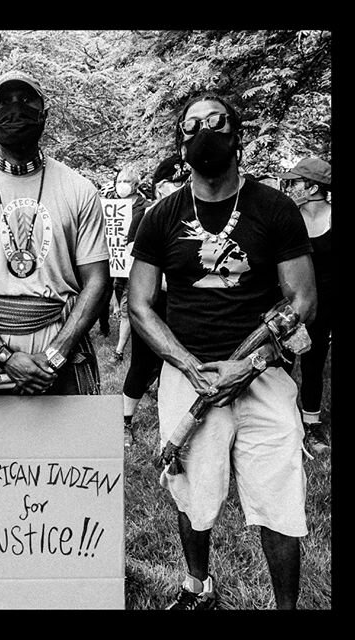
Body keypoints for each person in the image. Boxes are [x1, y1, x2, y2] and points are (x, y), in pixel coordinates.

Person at [128, 93, 316, 610]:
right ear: (181, 142)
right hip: (187, 376)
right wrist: (187, 365)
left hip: (263, 375)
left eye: (215, 122)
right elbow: (140, 305)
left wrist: (249, 363)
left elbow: (301, 299)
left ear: (238, 134)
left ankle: (286, 607)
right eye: (191, 125)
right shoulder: (162, 215)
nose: (203, 131)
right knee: (193, 491)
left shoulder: (273, 208)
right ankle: (197, 587)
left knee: (279, 494)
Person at [0, 70, 110, 396]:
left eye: (26, 100)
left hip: (65, 349)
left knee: (74, 448)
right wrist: (4, 356)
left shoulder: (80, 190)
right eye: (3, 102)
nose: (15, 109)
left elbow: (98, 281)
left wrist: (56, 354)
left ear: (44, 114)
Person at [121, 155, 189, 446]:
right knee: (142, 363)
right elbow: (134, 263)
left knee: (176, 364)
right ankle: (125, 422)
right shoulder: (146, 216)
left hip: (183, 304)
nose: (183, 187)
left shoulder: (193, 215)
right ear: (161, 186)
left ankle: (172, 421)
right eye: (177, 183)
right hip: (151, 302)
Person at [279, 157, 331, 453]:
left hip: (324, 306)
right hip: (288, 304)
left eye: (296, 182)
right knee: (282, 362)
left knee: (314, 362)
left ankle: (311, 425)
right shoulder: (287, 216)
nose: (290, 187)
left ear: (312, 187)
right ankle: (283, 424)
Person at [108, 164, 151, 365]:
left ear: (135, 185)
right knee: (122, 300)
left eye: (126, 182)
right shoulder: (112, 207)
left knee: (128, 307)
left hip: (135, 265)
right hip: (118, 268)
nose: (122, 185)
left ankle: (119, 351)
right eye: (119, 181)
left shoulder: (145, 207)